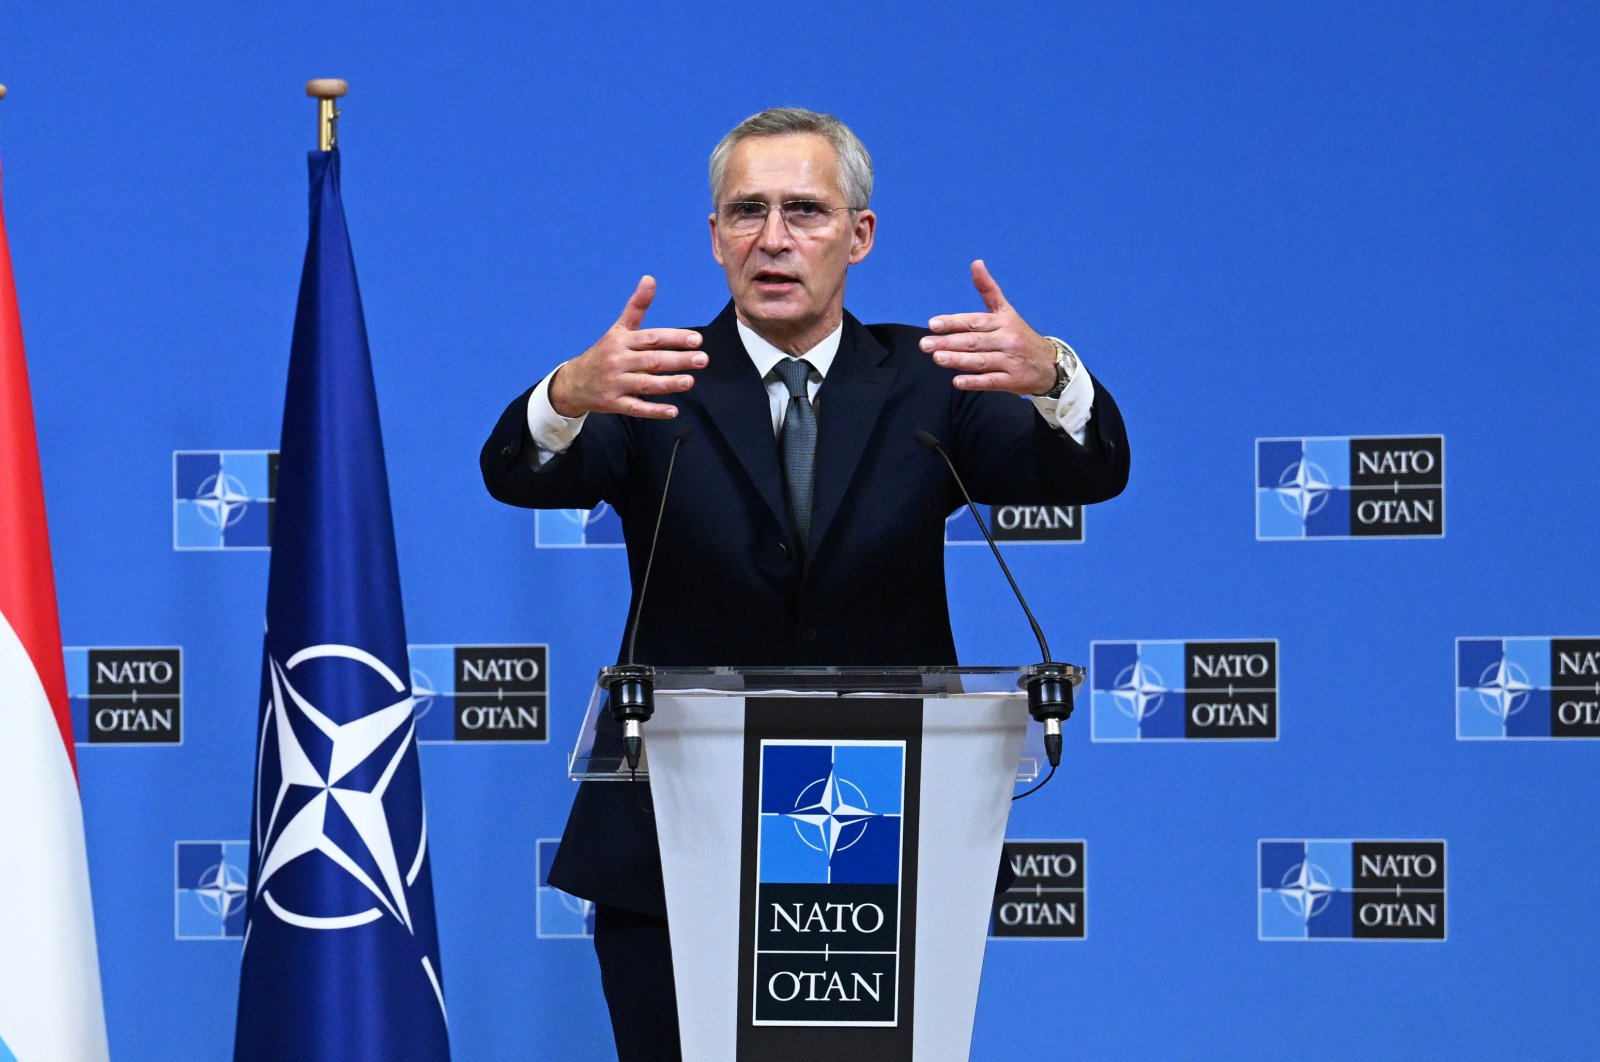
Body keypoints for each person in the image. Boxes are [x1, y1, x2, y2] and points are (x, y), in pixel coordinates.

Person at [481, 107, 1129, 1061]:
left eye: (805, 211)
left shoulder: (931, 379)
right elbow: (516, 472)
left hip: (882, 832)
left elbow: (1090, 472)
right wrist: (564, 396)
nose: (773, 239)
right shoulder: (656, 377)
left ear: (859, 235)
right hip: (674, 842)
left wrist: (1055, 378)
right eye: (746, 212)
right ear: (714, 237)